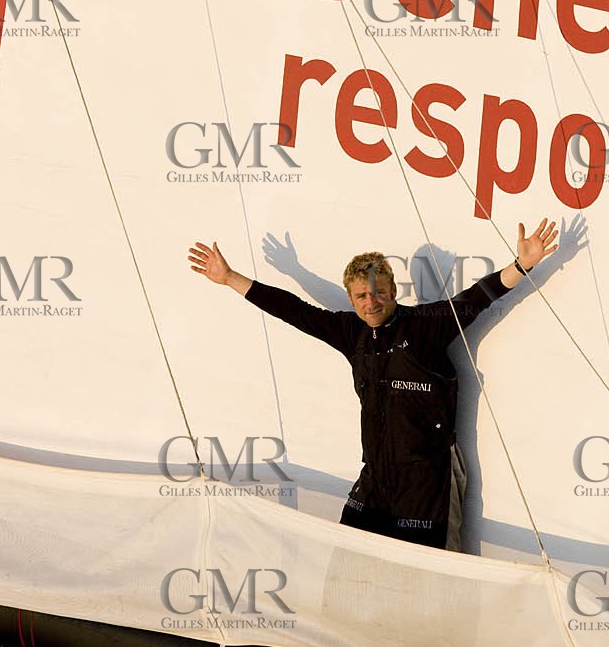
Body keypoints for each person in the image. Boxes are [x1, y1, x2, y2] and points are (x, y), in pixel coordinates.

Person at [187, 220, 558, 550]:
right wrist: (230, 277)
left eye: (379, 292)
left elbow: (475, 298)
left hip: (428, 480)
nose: (372, 302)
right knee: (351, 562)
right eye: (362, 296)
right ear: (351, 299)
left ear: (393, 291)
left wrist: (523, 264)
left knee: (427, 578)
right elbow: (296, 311)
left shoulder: (426, 325)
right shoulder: (352, 332)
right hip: (376, 475)